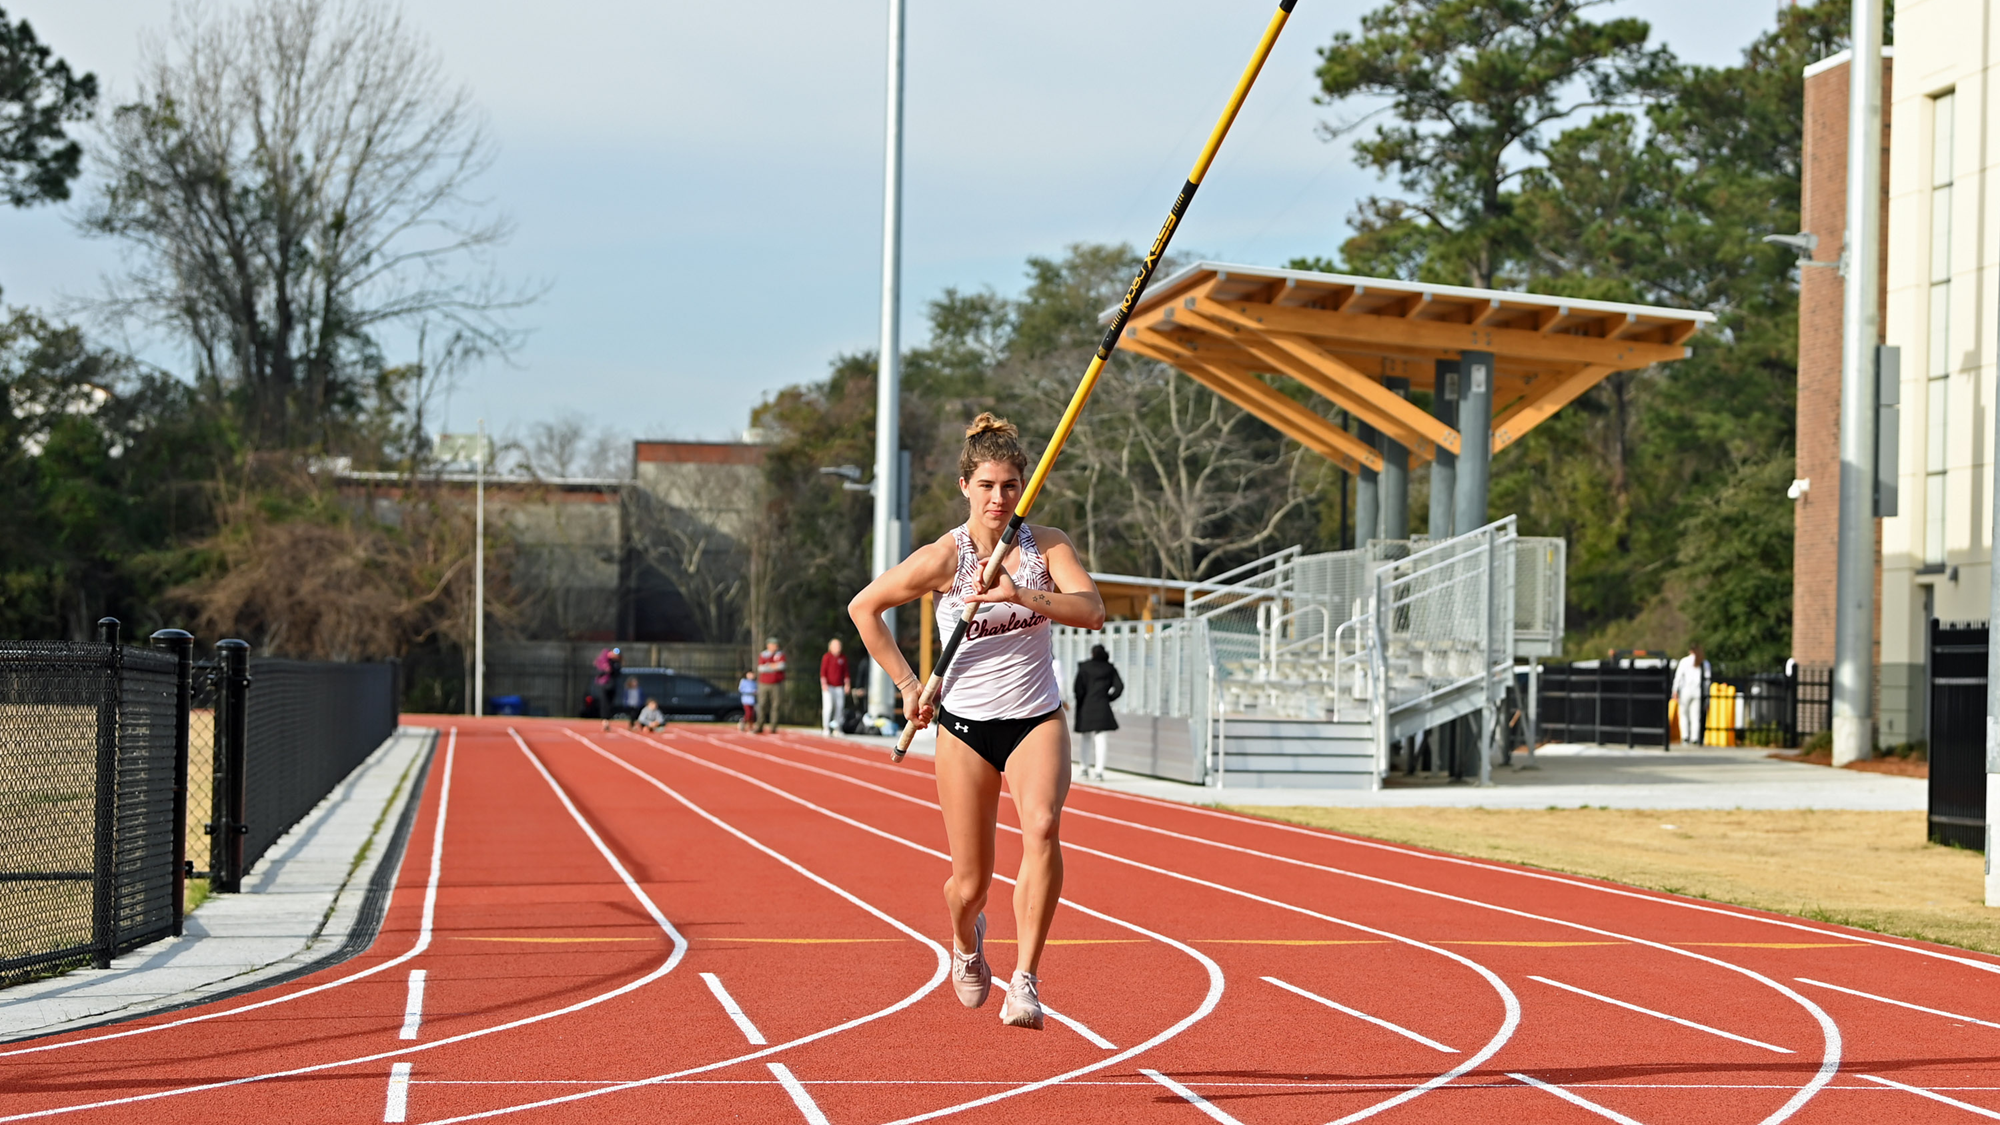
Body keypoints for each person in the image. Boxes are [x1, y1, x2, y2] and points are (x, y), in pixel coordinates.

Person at [849, 413, 1105, 1032]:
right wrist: (910, 686)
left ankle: (1026, 981)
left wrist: (1020, 595)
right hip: (964, 728)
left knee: (1042, 826)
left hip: (1034, 717)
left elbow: (1092, 611)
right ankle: (966, 940)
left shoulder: (1045, 546)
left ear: (1024, 487)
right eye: (988, 485)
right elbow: (865, 607)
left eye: (1011, 486)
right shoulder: (946, 558)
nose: (1000, 498)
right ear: (965, 485)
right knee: (970, 885)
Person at [1071, 644, 1124, 781]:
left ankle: (1084, 768)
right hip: (1102, 707)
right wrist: (1109, 698)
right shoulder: (1109, 668)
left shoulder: (1084, 667)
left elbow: (1078, 688)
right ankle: (1099, 771)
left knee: (1086, 738)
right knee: (1101, 739)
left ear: (1092, 654)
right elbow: (1119, 687)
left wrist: (1081, 701)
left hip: (1086, 706)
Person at [1673, 644, 1708, 746]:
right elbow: (1707, 681)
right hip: (1698, 691)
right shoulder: (1704, 663)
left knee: (1684, 715)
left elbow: (1678, 677)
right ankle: (1695, 738)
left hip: (1685, 691)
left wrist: (1675, 690)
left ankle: (1685, 737)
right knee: (1695, 716)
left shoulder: (1684, 661)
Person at [820, 639, 852, 736]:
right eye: (836, 646)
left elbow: (846, 673)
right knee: (828, 707)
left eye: (839, 645)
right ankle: (826, 727)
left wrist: (847, 684)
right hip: (829, 687)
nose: (838, 648)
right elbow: (823, 672)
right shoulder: (827, 657)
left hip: (839, 687)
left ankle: (837, 728)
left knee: (840, 707)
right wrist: (824, 684)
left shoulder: (843, 658)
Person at [756, 638, 787, 733]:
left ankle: (773, 727)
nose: (774, 646)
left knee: (776, 705)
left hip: (776, 684)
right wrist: (773, 666)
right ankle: (760, 725)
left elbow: (782, 666)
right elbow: (761, 668)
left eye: (776, 645)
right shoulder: (763, 655)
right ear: (768, 645)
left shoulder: (780, 655)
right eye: (772, 644)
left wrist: (769, 666)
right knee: (762, 705)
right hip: (764, 683)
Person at [593, 646, 623, 732]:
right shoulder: (604, 661)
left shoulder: (616, 663)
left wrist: (613, 668)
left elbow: (618, 673)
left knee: (610, 704)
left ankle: (607, 720)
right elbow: (598, 673)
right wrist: (606, 670)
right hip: (605, 685)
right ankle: (604, 721)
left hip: (612, 685)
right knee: (604, 703)